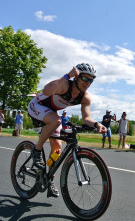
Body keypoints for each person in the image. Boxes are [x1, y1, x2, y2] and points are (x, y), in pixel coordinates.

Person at [27, 63, 107, 198]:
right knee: (57, 120)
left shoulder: (85, 97)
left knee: (57, 148)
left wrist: (97, 124)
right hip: (37, 106)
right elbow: (46, 91)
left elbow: (86, 118)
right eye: (85, 79)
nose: (88, 83)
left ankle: (49, 178)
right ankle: (37, 151)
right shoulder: (65, 85)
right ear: (77, 77)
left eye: (91, 80)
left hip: (51, 113)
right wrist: (67, 76)